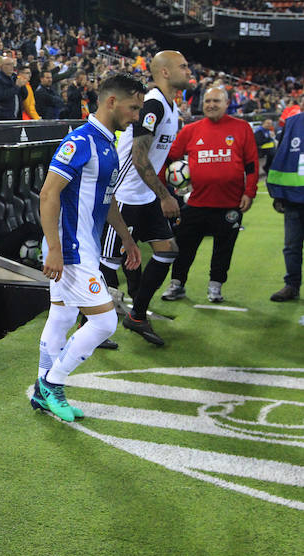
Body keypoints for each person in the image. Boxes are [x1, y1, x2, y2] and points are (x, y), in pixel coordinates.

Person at [32, 73, 145, 422]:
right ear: (112, 102)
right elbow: (49, 193)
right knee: (105, 323)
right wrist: (55, 248)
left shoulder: (108, 142)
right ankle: (54, 383)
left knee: (63, 316)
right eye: (133, 107)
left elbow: (105, 199)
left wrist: (126, 239)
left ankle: (41, 391)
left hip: (82, 246)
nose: (136, 115)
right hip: (71, 249)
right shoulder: (80, 141)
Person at [99, 50, 192, 346]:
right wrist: (165, 195)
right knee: (108, 263)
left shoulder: (170, 105)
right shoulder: (152, 103)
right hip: (125, 193)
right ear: (164, 72)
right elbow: (138, 157)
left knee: (167, 250)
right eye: (183, 66)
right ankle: (92, 325)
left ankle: (137, 315)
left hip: (145, 195)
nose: (189, 71)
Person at [160, 87, 258, 303]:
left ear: (226, 103)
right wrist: (164, 189)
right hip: (196, 203)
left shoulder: (242, 128)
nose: (211, 104)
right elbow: (169, 160)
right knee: (185, 246)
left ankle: (215, 286)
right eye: (207, 101)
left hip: (230, 203)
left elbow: (251, 165)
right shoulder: (190, 130)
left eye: (216, 100)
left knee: (224, 248)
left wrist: (249, 192)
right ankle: (177, 284)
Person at [266, 111, 304, 302]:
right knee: (291, 247)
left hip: (294, 198)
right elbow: (280, 158)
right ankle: (292, 285)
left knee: (292, 246)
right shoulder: (291, 124)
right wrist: (277, 193)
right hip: (293, 200)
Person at [0, 56, 26, 121]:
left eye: (12, 64)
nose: (11, 66)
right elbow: (1, 96)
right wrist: (17, 86)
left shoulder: (14, 77)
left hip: (16, 116)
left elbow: (24, 95)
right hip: (3, 117)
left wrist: (22, 85)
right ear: (1, 66)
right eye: (8, 64)